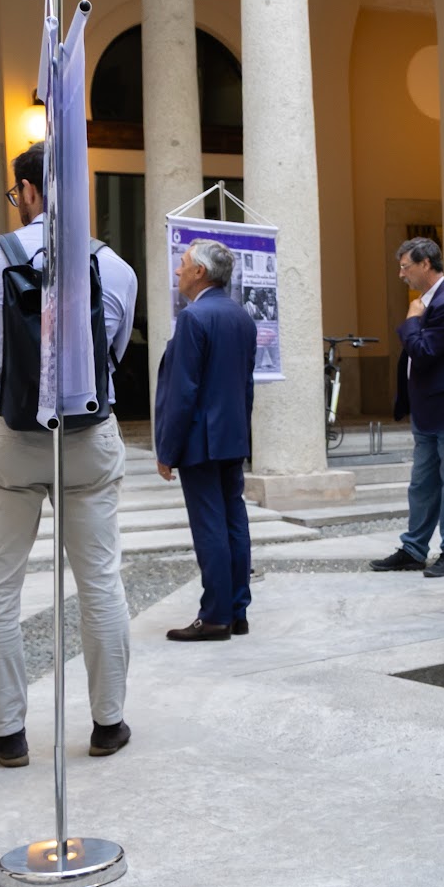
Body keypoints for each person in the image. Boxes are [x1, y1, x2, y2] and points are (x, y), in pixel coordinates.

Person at [0, 143, 138, 766]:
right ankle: (108, 724)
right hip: (88, 437)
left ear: (28, 192)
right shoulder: (116, 267)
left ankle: (7, 735)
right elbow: (114, 351)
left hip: (10, 436)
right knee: (100, 581)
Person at [154, 237, 257, 641]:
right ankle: (237, 610)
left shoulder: (195, 319)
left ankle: (214, 615)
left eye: (182, 264)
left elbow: (183, 392)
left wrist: (167, 448)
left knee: (210, 527)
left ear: (200, 272)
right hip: (232, 436)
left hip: (200, 440)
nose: (178, 271)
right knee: (234, 522)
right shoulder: (242, 317)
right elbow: (245, 386)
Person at [371, 237, 444, 578]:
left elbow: (425, 352)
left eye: (406, 267)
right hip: (429, 409)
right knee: (422, 484)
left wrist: (412, 320)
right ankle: (414, 549)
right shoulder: (429, 301)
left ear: (426, 264)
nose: (402, 274)